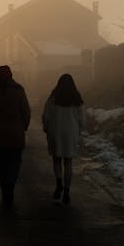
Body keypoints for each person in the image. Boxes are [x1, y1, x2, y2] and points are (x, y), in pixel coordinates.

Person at [0, 65, 31, 208]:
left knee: (1, 165)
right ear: (11, 75)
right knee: (14, 163)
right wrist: (23, 127)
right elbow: (26, 111)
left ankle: (5, 191)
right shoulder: (19, 90)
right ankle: (10, 186)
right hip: (16, 135)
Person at [42, 73, 85, 205]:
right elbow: (81, 119)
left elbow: (46, 115)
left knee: (56, 160)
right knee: (68, 162)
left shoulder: (53, 98)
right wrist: (79, 130)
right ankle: (66, 191)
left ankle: (59, 182)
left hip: (56, 131)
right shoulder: (76, 99)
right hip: (71, 133)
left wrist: (46, 127)